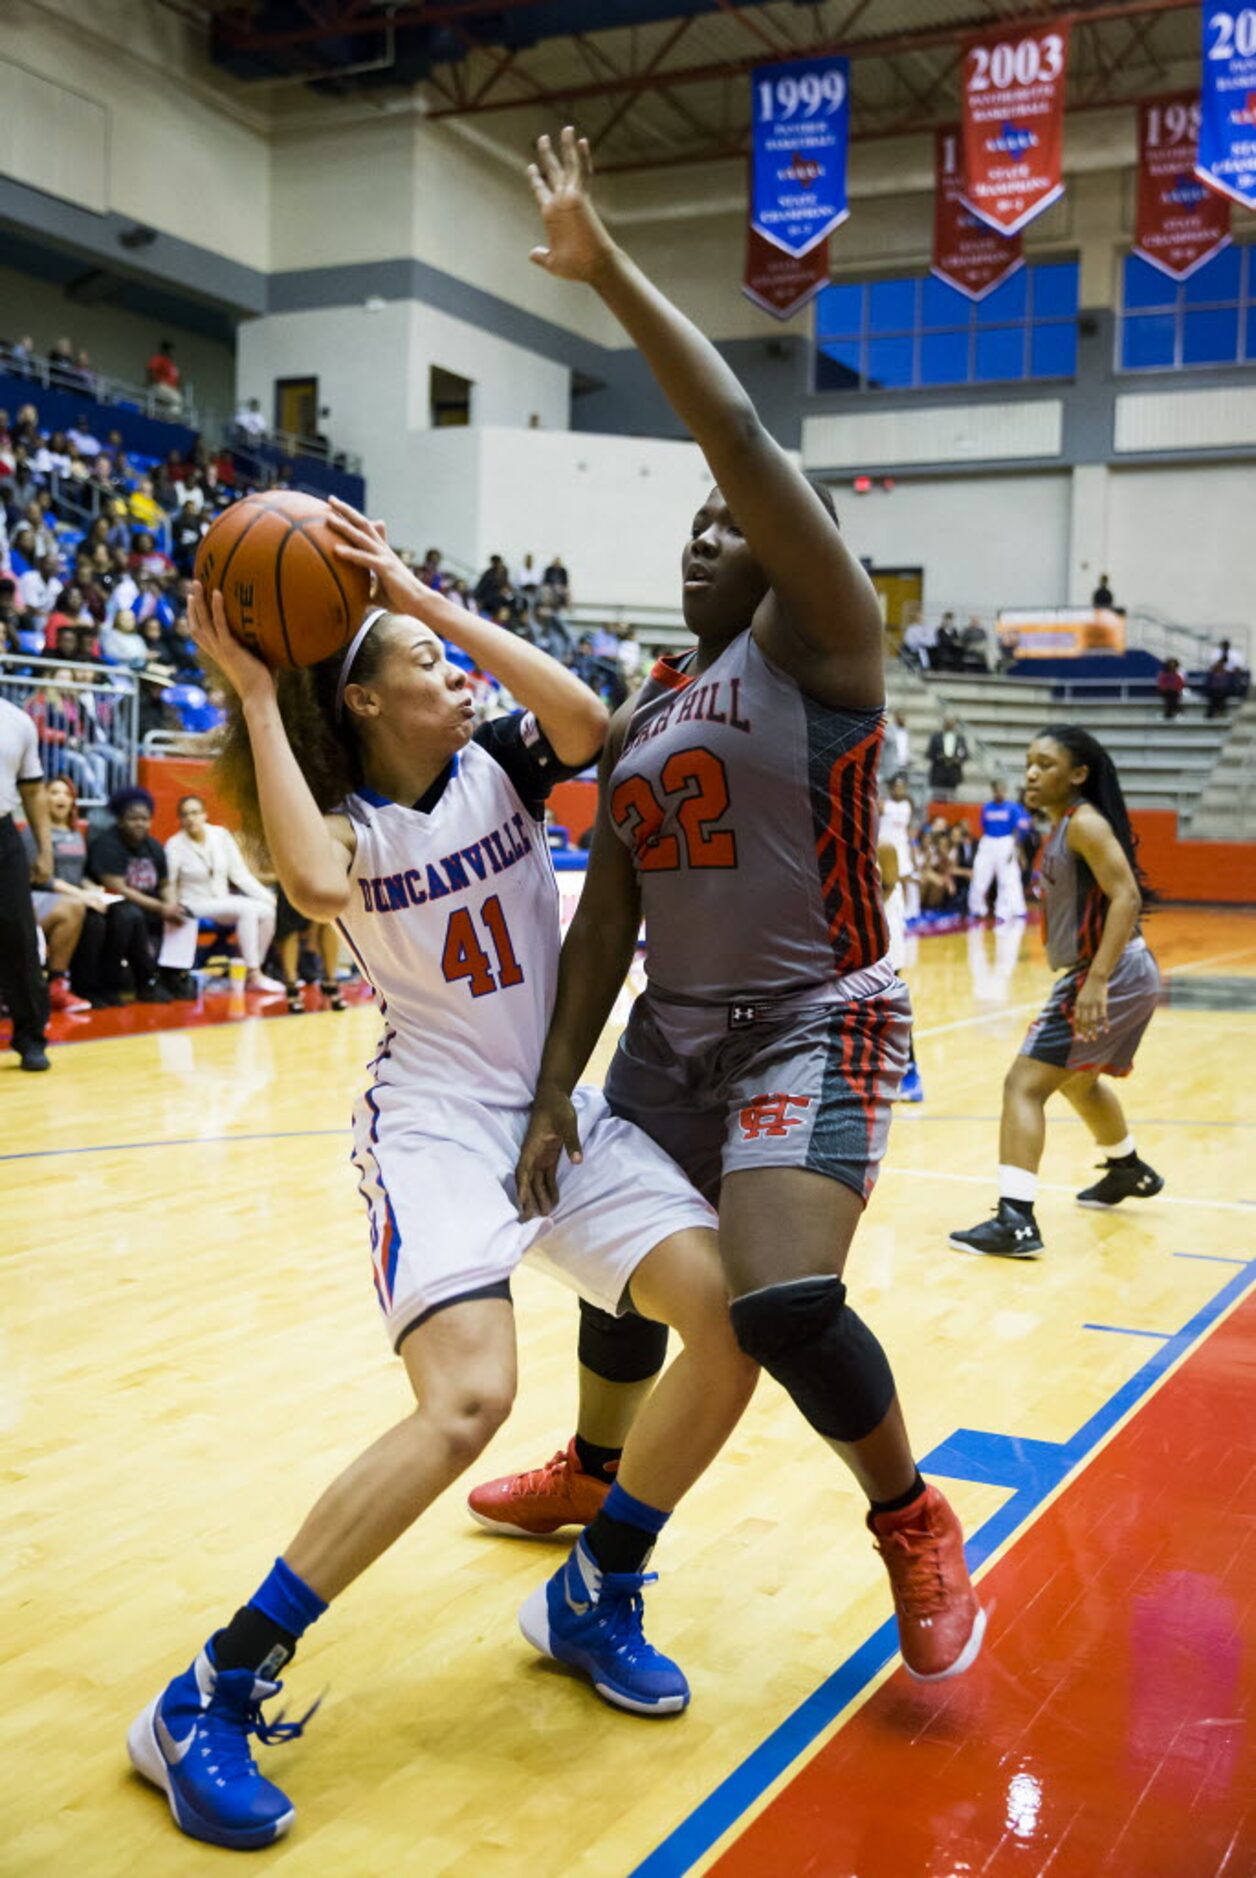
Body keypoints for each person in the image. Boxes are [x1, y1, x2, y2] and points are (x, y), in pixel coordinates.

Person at [128, 512, 759, 1852]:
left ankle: (599, 1585)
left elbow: (588, 718)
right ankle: (211, 1688)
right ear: (362, 698)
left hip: (555, 1107)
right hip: (435, 1125)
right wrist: (251, 688)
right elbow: (303, 878)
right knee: (471, 1397)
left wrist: (431, 600)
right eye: (424, 657)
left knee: (734, 1317)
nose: (454, 673)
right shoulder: (344, 820)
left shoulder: (502, 763)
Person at [470, 129, 982, 1686]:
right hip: (666, 1035)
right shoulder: (647, 707)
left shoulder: (824, 648)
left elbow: (744, 432)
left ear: (786, 555)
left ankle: (908, 1514)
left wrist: (608, 267)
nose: (711, 533)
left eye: (734, 524)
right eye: (690, 528)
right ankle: (594, 1469)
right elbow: (606, 908)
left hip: (817, 1024)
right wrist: (557, 1082)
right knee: (631, 1277)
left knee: (778, 1299)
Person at [950, 726, 1163, 1260]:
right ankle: (1126, 1167)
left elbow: (1127, 897)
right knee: (1080, 1084)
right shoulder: (1067, 825)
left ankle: (1016, 1221)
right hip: (1123, 971)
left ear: (1078, 774)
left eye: (1045, 764)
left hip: (1106, 972)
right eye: (1028, 762)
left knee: (1023, 1087)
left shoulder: (1086, 825)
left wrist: (1094, 982)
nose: (1030, 773)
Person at [157, 795, 283, 994]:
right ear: (179, 820)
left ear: (205, 815)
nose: (191, 818)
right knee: (246, 909)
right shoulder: (174, 845)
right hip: (192, 903)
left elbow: (240, 875)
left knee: (267, 911)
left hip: (222, 901)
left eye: (195, 813)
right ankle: (254, 973)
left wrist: (270, 899)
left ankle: (250, 969)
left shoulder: (220, 835)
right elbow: (168, 882)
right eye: (185, 814)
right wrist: (171, 905)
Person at [87, 788, 182, 1003]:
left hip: (149, 906)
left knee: (185, 913)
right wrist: (161, 908)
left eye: (145, 819)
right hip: (115, 906)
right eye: (133, 818)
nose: (140, 824)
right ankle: (141, 982)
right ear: (120, 820)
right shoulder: (107, 844)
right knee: (130, 915)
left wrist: (172, 904)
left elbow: (166, 883)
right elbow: (118, 887)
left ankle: (174, 977)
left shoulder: (154, 846)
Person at [0, 694, 52, 1069]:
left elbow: (33, 791)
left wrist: (45, 850)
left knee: (20, 937)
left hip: (3, 835)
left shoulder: (17, 720)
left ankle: (31, 1038)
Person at [968, 780, 1027, 922]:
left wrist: (1015, 847)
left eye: (1001, 789)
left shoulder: (1013, 808)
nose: (999, 792)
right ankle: (976, 908)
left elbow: (1021, 828)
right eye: (996, 789)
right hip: (988, 841)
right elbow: (983, 826)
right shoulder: (987, 807)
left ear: (1005, 790)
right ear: (992, 790)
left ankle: (1004, 910)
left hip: (1005, 841)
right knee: (980, 875)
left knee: (1007, 877)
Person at [879, 774, 918, 919]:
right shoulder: (883, 804)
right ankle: (886, 910)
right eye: (895, 787)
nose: (898, 790)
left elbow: (910, 829)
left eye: (901, 787)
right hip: (886, 847)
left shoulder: (909, 804)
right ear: (890, 788)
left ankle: (906, 910)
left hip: (902, 846)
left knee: (905, 878)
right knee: (887, 880)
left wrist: (913, 850)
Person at [926, 714, 968, 799]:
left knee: (952, 800)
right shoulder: (936, 737)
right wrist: (939, 757)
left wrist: (958, 760)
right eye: (947, 723)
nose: (949, 726)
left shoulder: (960, 739)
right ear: (944, 724)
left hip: (953, 774)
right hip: (938, 773)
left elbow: (965, 755)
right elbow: (929, 754)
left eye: (952, 724)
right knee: (938, 799)